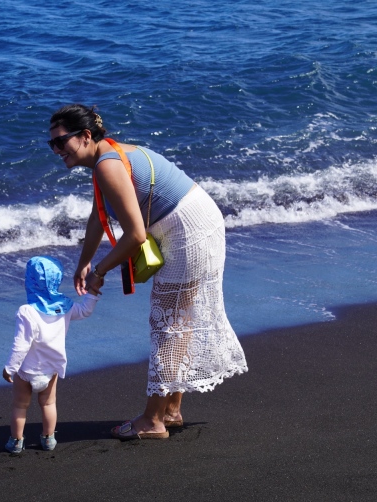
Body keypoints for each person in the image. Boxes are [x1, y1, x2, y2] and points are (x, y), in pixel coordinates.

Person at [48, 103, 247, 441]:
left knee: (167, 323)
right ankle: (170, 411)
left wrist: (99, 271)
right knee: (176, 322)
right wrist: (84, 261)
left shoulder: (107, 166)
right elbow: (100, 215)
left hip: (189, 230)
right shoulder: (106, 155)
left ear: (84, 136)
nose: (56, 151)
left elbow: (137, 235)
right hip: (194, 222)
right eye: (51, 144)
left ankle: (153, 420)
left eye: (60, 141)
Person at [2, 255, 100, 455]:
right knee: (48, 403)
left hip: (26, 370)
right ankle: (48, 438)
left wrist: (10, 368)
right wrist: (93, 291)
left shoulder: (26, 311)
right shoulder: (64, 306)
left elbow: (20, 345)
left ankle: (16, 441)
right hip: (52, 369)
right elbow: (85, 311)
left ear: (30, 282)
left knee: (20, 405)